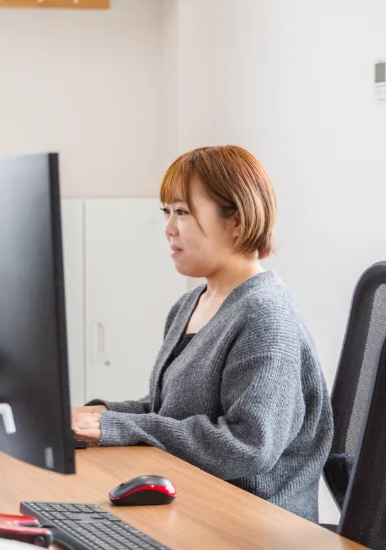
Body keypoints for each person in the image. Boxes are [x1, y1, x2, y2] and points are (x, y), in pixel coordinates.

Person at [72, 145, 333, 522]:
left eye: (182, 212)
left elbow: (247, 446)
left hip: (252, 522)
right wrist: (102, 415)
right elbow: (170, 410)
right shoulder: (191, 304)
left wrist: (118, 426)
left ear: (236, 221)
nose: (168, 228)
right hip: (195, 499)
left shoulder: (266, 316)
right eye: (166, 212)